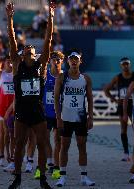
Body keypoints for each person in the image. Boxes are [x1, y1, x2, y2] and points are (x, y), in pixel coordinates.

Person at [6, 1, 55, 188]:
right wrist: (10, 18)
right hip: (22, 111)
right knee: (19, 144)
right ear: (23, 53)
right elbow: (11, 39)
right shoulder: (17, 65)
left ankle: (42, 178)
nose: (29, 49)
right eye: (26, 49)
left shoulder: (40, 66)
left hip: (37, 111)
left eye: (32, 50)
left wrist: (50, 18)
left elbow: (48, 40)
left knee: (42, 144)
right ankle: (17, 178)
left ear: (34, 55)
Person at [54, 50, 95, 187]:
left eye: (76, 59)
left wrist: (91, 117)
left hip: (81, 117)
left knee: (81, 146)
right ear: (68, 61)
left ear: (80, 61)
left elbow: (90, 98)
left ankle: (84, 177)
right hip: (65, 117)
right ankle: (62, 177)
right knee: (64, 147)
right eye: (71, 59)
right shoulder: (62, 77)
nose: (74, 61)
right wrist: (58, 118)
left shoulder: (86, 78)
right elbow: (55, 99)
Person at [104, 57, 134, 161]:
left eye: (127, 64)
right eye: (124, 64)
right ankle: (126, 153)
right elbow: (106, 89)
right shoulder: (118, 77)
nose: (125, 66)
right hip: (122, 106)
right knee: (123, 129)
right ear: (121, 65)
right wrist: (114, 100)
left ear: (130, 64)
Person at [43, 51, 64, 180]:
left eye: (58, 60)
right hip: (46, 113)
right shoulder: (45, 76)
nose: (56, 62)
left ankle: (56, 167)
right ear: (50, 61)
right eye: (54, 59)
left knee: (57, 140)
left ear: (62, 62)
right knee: (44, 140)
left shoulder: (64, 76)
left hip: (60, 115)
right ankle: (49, 162)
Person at [0, 56, 15, 166]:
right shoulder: (0, 74)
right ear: (4, 62)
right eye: (8, 61)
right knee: (2, 133)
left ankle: (12, 156)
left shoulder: (16, 74)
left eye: (11, 60)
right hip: (2, 108)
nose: (10, 63)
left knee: (13, 134)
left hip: (14, 108)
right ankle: (2, 155)